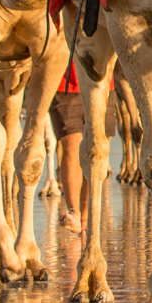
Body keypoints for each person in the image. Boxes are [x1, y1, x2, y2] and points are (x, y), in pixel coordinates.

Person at [49, 67, 86, 235]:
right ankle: (74, 212)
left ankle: (85, 218)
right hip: (64, 83)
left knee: (98, 151)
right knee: (71, 144)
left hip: (103, 84)